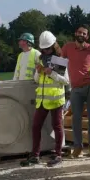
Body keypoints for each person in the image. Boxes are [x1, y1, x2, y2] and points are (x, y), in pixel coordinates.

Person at [23, 31, 67, 167]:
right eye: (44, 49)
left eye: (48, 48)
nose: (46, 51)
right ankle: (35, 155)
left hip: (55, 99)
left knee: (57, 126)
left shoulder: (59, 60)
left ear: (54, 46)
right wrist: (38, 72)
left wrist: (52, 73)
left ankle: (58, 155)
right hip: (42, 100)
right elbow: (37, 80)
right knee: (36, 126)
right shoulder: (40, 59)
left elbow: (66, 81)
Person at [62, 26, 90, 158]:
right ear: (75, 33)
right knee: (76, 118)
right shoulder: (68, 47)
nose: (81, 35)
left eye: (84, 33)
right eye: (79, 32)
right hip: (76, 88)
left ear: (87, 36)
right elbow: (60, 61)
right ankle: (78, 147)